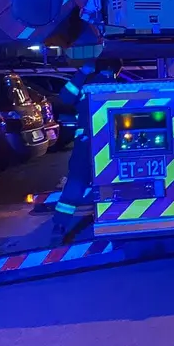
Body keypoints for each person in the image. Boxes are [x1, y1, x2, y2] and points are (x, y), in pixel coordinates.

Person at [53, 57, 124, 235]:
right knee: (112, 179)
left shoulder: (85, 86)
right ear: (117, 70)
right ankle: (113, 220)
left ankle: (59, 225)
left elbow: (65, 97)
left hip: (85, 144)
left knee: (76, 183)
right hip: (111, 144)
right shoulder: (120, 87)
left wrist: (82, 73)